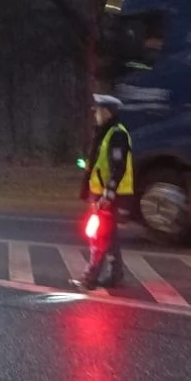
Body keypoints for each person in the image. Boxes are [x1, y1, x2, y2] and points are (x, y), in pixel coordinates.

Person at [72, 93, 134, 291]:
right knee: (109, 235)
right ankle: (116, 274)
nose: (95, 114)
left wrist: (108, 194)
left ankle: (90, 277)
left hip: (109, 196)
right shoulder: (104, 132)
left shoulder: (116, 134)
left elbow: (118, 166)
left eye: (98, 110)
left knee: (99, 235)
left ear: (107, 112)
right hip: (101, 194)